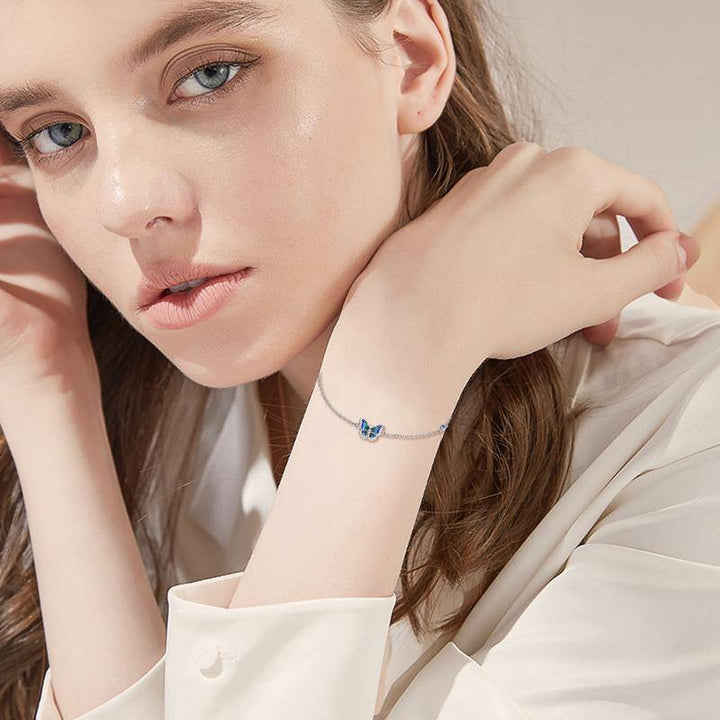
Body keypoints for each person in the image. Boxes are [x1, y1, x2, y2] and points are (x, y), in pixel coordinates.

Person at [0, 1, 717, 718]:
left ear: (412, 58)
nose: (124, 205)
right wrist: (47, 393)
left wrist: (388, 369)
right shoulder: (162, 439)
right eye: (57, 133)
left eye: (209, 74)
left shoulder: (688, 437)